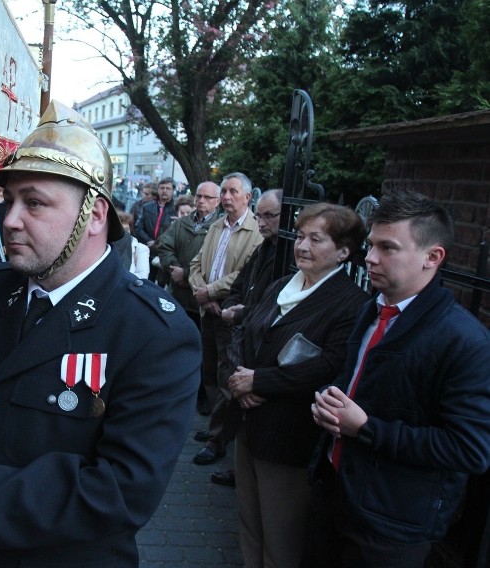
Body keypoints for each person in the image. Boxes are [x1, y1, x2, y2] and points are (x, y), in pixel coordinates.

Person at [0, 101, 201, 566]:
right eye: (10, 201)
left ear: (95, 216)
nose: (10, 218)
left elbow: (121, 493)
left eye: (34, 202)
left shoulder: (154, 331)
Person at [309, 191, 490, 568]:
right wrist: (331, 401)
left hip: (391, 525)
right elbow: (359, 383)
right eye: (371, 244)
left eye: (388, 248)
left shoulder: (464, 340)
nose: (370, 258)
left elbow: (470, 448)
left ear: (432, 257)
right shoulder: (372, 310)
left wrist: (368, 429)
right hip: (334, 493)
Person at [223, 202, 368, 567]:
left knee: (281, 539)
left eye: (315, 239)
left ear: (344, 251)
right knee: (249, 526)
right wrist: (239, 379)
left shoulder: (351, 303)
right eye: (300, 236)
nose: (302, 246)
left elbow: (329, 366)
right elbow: (244, 332)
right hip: (248, 425)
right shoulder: (279, 286)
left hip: (290, 439)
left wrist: (260, 381)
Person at [207, 189, 283, 488]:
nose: (262, 221)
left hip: (258, 340)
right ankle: (233, 458)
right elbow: (240, 285)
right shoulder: (264, 248)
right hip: (239, 333)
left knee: (242, 398)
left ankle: (239, 464)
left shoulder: (285, 252)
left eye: (269, 216)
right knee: (225, 380)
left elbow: (273, 304)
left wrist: (239, 312)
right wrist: (227, 305)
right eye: (260, 214)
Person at [189, 172, 263, 465]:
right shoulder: (217, 225)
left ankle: (218, 440)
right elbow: (196, 263)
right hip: (208, 310)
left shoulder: (255, 232)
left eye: (233, 191)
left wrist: (211, 292)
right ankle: (213, 428)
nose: (226, 197)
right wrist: (201, 291)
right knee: (209, 371)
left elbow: (243, 274)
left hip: (229, 313)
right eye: (224, 191)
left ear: (247, 197)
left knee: (225, 377)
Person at [156, 181, 221, 328]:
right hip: (176, 296)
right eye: (198, 196)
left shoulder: (220, 227)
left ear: (217, 201)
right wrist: (174, 269)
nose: (201, 200)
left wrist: (185, 274)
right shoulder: (182, 223)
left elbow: (215, 261)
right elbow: (164, 246)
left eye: (207, 197)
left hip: (201, 301)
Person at [134, 177, 175, 282]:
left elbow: (174, 232)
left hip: (166, 252)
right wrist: (149, 241)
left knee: (163, 284)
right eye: (162, 188)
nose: (164, 190)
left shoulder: (176, 209)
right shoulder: (147, 207)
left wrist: (158, 243)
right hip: (148, 249)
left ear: (173, 190)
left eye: (168, 188)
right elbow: (139, 227)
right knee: (147, 281)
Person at [112, 211, 150, 279]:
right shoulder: (106, 246)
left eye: (126, 230)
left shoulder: (139, 248)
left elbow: (142, 278)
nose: (123, 234)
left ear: (130, 229)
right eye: (119, 230)